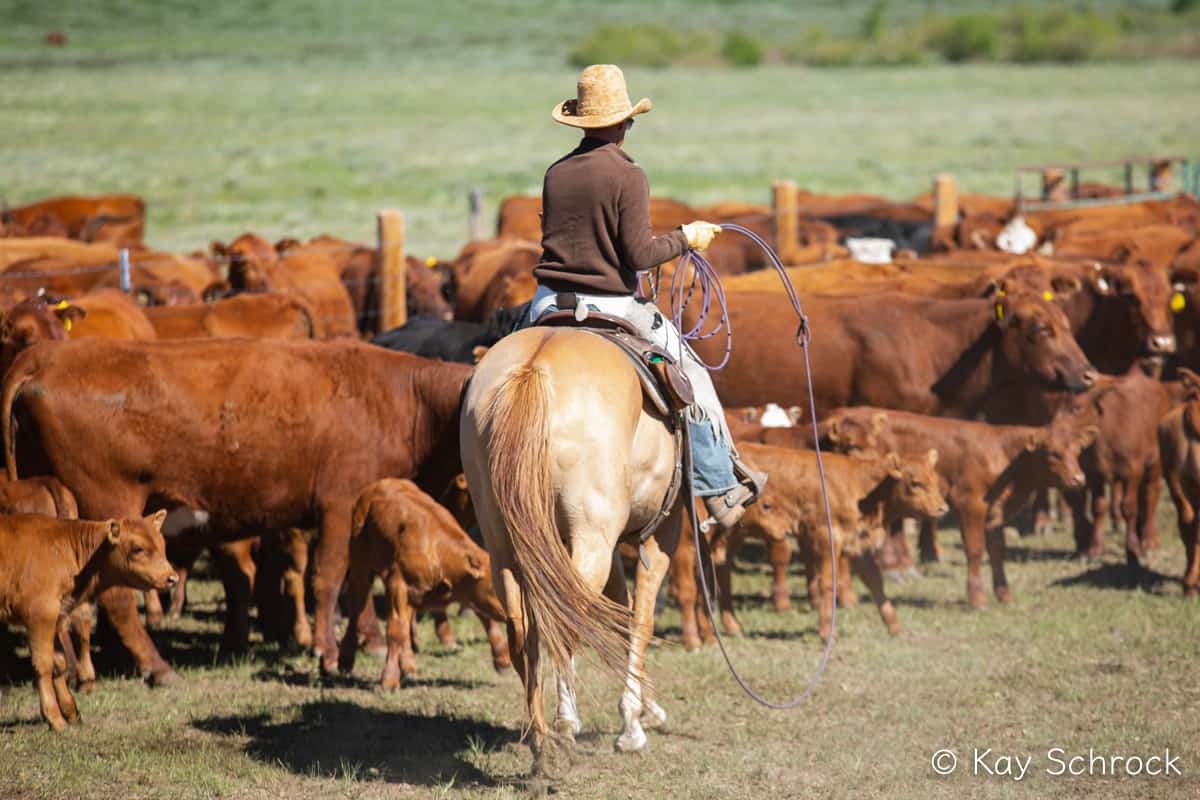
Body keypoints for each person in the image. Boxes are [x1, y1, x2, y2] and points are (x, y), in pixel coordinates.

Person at [529, 63, 766, 530]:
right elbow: (640, 254)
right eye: (629, 122)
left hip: (545, 302)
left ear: (581, 122)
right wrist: (686, 237)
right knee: (691, 376)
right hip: (611, 304)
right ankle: (720, 486)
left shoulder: (556, 173)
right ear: (621, 124)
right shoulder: (627, 174)